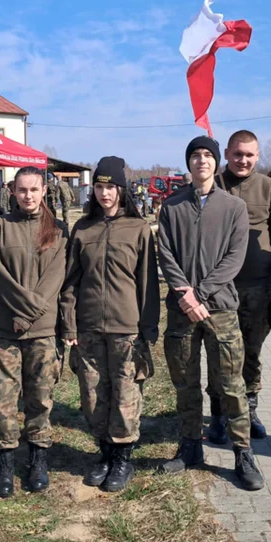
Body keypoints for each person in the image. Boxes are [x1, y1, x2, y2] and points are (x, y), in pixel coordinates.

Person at [156, 135, 264, 491]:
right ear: (187, 163)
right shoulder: (171, 208)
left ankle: (242, 452)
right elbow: (166, 254)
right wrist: (184, 295)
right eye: (195, 156)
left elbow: (234, 258)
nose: (201, 161)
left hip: (220, 309)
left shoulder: (233, 207)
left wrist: (200, 293)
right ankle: (190, 446)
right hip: (181, 311)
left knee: (231, 384)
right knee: (185, 383)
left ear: (216, 163)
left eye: (207, 156)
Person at [60, 156, 160, 492]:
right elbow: (70, 281)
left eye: (111, 187)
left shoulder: (138, 229)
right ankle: (103, 451)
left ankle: (122, 458)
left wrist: (148, 328)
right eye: (100, 187)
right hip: (88, 328)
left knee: (125, 394)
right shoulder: (82, 229)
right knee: (92, 394)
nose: (105, 194)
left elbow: (147, 282)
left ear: (122, 189)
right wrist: (69, 325)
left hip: (126, 328)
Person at [0, 166, 69, 498]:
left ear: (44, 191)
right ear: (13, 192)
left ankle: (38, 461)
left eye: (34, 189)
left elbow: (54, 281)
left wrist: (28, 318)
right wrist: (19, 315)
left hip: (43, 334)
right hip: (2, 330)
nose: (28, 196)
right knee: (1, 401)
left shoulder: (57, 232)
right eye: (21, 190)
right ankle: (4, 464)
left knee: (40, 399)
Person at [209, 130, 271, 443]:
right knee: (219, 353)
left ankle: (248, 410)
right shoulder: (212, 185)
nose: (243, 160)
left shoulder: (270, 189)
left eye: (249, 155)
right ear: (227, 154)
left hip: (259, 287)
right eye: (237, 154)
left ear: (258, 156)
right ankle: (218, 414)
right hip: (219, 288)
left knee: (251, 352)